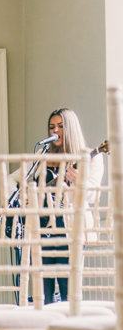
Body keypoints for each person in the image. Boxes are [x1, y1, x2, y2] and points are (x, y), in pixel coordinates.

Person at [8, 108, 105, 303]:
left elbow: (93, 196)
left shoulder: (90, 157)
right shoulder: (41, 156)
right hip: (41, 229)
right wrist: (20, 198)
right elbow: (11, 179)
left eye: (61, 126)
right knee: (42, 292)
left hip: (69, 230)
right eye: (52, 127)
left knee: (69, 291)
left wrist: (79, 182)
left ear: (71, 129)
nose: (55, 131)